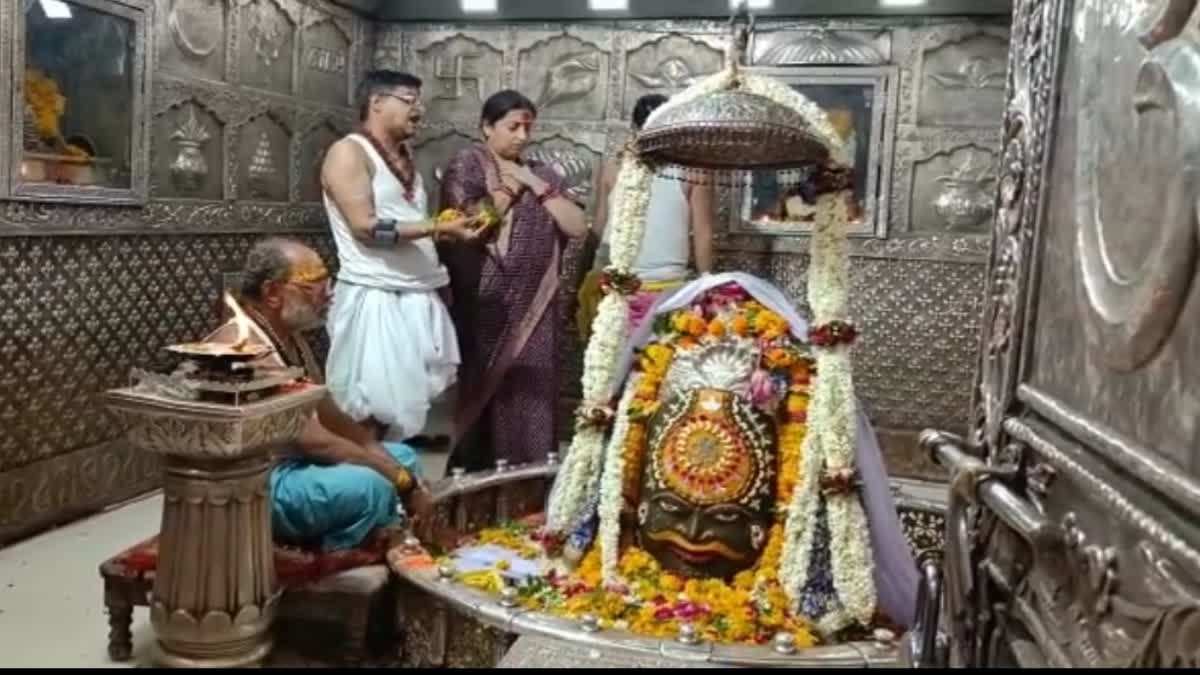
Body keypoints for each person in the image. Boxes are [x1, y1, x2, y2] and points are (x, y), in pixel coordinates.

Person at [206, 238, 434, 551]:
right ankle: (337, 553)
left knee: (404, 457)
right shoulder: (244, 345)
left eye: (328, 284)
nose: (328, 295)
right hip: (258, 482)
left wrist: (393, 467)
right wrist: (397, 479)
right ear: (273, 293)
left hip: (295, 466)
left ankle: (376, 528)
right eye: (313, 285)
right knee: (372, 486)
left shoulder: (290, 338)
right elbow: (315, 441)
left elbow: (334, 418)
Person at [319, 69, 477, 445]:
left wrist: (447, 231)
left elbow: (411, 223)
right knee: (370, 407)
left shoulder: (405, 156)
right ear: (376, 102)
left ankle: (391, 483)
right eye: (409, 101)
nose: (418, 110)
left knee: (402, 410)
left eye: (419, 102)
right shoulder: (348, 152)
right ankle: (368, 487)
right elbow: (367, 228)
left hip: (415, 295)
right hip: (375, 298)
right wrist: (436, 227)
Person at [437, 89, 588, 473]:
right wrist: (508, 187)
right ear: (486, 127)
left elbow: (577, 225)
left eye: (528, 127)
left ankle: (531, 483)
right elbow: (474, 224)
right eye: (512, 126)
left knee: (533, 394)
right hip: (487, 306)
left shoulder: (543, 172)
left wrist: (534, 183)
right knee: (489, 393)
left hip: (538, 308)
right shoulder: (467, 166)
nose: (522, 135)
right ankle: (475, 482)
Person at [576, 93, 715, 341]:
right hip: (618, 288)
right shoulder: (614, 167)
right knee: (614, 370)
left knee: (656, 369)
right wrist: (584, 273)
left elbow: (703, 232)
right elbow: (599, 226)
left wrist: (705, 283)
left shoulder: (692, 170)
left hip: (668, 290)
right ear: (635, 130)